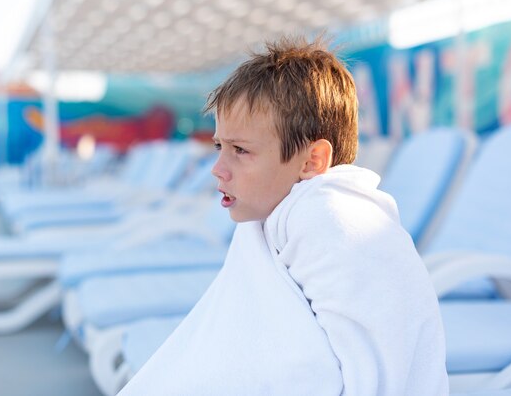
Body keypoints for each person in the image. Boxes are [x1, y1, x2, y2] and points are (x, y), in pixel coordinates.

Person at [118, 35, 448, 395]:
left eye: (240, 150)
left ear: (312, 161)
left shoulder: (334, 221)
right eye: (219, 146)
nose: (217, 169)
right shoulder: (274, 216)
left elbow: (370, 372)